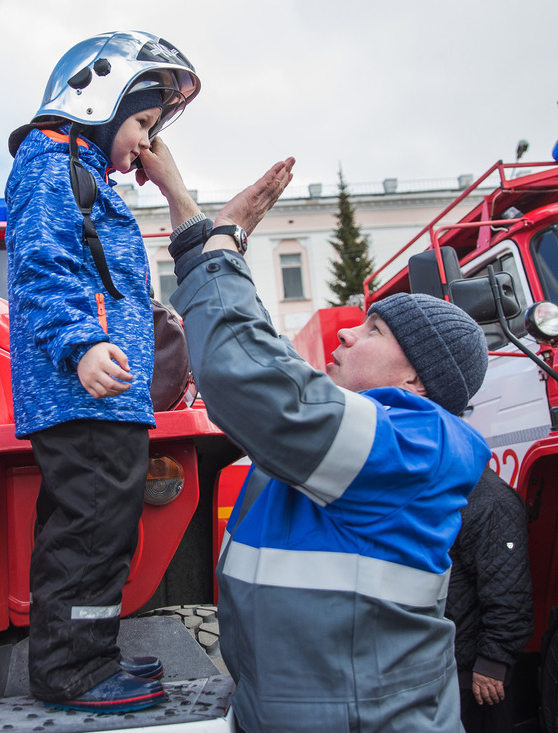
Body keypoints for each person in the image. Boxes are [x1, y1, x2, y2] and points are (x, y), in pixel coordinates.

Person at [164, 157, 493, 732]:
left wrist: (224, 246)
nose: (345, 331)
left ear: (417, 380)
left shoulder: (415, 445)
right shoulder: (360, 434)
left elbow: (250, 375)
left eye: (373, 331)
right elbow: (267, 358)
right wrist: (197, 223)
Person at [3, 30, 203, 714]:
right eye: (142, 122)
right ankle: (72, 672)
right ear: (99, 96)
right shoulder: (49, 162)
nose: (144, 144)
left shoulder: (81, 168)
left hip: (104, 396)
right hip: (81, 388)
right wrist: (81, 344)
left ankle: (88, 655)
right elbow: (43, 266)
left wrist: (138, 160)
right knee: (93, 528)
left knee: (95, 526)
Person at [446, 468, 534, 733]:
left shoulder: (489, 500)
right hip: (450, 666)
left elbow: (509, 589)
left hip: (474, 676)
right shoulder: (451, 489)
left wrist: (492, 663)